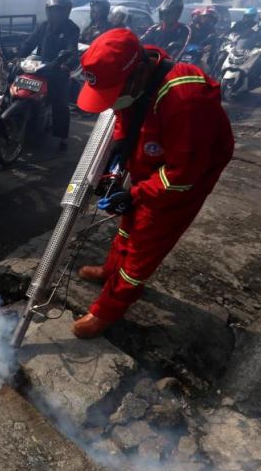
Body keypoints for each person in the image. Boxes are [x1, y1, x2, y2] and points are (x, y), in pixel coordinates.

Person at [71, 28, 234, 338]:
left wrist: (136, 193)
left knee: (144, 242)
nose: (112, 102)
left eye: (115, 93)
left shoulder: (185, 100)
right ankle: (110, 271)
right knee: (128, 222)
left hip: (185, 175)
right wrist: (121, 145)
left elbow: (183, 174)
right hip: (159, 157)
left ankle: (108, 310)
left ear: (139, 73)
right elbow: (125, 112)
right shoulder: (138, 73)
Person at [18, 0, 80, 151]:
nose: (56, 14)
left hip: (58, 70)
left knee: (60, 103)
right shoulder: (43, 26)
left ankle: (62, 138)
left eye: (60, 11)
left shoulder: (72, 28)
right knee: (17, 85)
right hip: (40, 67)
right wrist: (17, 56)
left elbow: (72, 50)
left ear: (67, 11)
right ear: (48, 10)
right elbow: (29, 43)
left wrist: (66, 63)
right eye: (53, 10)